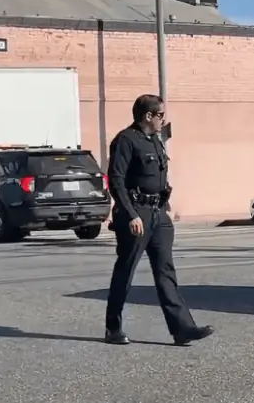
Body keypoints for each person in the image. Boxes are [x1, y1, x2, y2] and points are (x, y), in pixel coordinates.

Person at [104, 94, 214, 346]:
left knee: (166, 272)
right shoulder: (126, 140)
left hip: (157, 213)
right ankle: (113, 328)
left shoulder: (155, 140)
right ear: (148, 116)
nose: (164, 120)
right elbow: (116, 180)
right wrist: (130, 213)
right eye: (161, 115)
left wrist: (164, 205)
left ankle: (182, 329)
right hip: (136, 214)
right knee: (126, 271)